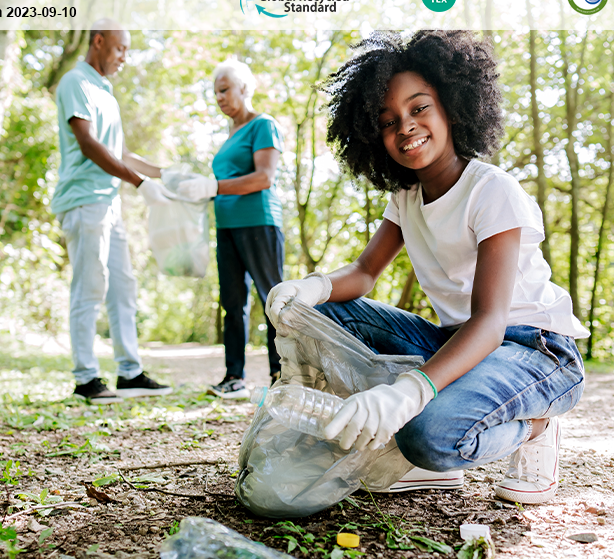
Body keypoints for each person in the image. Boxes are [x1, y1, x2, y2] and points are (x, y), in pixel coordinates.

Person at [265, 31, 588, 505]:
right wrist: (309, 288)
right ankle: (414, 436)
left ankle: (534, 427)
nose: (406, 127)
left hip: (535, 350)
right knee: (328, 313)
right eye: (389, 120)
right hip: (458, 340)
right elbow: (363, 272)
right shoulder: (406, 197)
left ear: (454, 106)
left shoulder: (490, 191)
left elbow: (491, 322)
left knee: (428, 435)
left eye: (419, 108)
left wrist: (409, 392)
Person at [53, 19, 174, 405]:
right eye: (120, 48)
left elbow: (119, 153)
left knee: (123, 286)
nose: (125, 57)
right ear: (99, 41)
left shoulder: (106, 91)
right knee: (90, 287)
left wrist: (163, 173)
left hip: (109, 204)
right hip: (85, 200)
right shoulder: (77, 82)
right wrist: (140, 184)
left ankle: (129, 372)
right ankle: (86, 378)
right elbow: (89, 144)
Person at [175, 60, 286, 399]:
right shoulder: (228, 136)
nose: (219, 98)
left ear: (243, 89)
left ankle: (282, 376)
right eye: (215, 93)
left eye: (224, 90)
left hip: (259, 223)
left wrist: (215, 187)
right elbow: (218, 183)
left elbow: (264, 177)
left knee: (273, 301)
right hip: (227, 228)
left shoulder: (262, 125)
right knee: (232, 302)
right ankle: (233, 378)